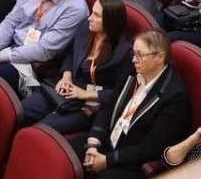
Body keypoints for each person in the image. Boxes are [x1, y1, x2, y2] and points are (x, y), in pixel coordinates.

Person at [75, 29, 191, 179]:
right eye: (133, 53)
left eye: (139, 55)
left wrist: (107, 160)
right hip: (109, 140)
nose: (134, 60)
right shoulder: (133, 71)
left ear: (160, 57)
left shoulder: (175, 97)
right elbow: (109, 106)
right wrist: (93, 143)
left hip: (133, 161)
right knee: (69, 152)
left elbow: (151, 148)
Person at [23, 0, 132, 134]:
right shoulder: (86, 28)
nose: (90, 18)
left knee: (39, 131)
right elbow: (71, 53)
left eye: (96, 15)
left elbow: (120, 92)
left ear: (111, 21)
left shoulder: (125, 52)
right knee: (21, 112)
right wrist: (66, 76)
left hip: (87, 104)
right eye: (92, 12)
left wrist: (85, 94)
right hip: (64, 89)